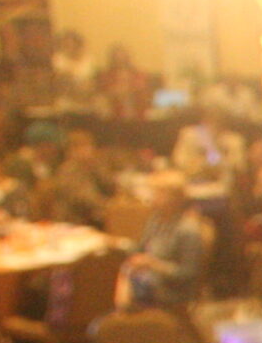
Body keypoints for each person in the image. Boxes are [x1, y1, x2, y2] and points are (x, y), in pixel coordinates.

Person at [120, 171, 209, 315]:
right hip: (150, 279)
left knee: (120, 288)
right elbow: (141, 248)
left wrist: (153, 264)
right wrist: (119, 245)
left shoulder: (187, 231)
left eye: (156, 193)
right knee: (114, 275)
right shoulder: (155, 221)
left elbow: (188, 274)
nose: (151, 198)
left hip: (171, 291)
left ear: (173, 199)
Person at [46, 128, 114, 227]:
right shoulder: (69, 170)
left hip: (90, 217)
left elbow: (110, 185)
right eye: (82, 147)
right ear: (71, 151)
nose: (88, 151)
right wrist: (107, 205)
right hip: (73, 221)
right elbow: (83, 198)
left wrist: (97, 168)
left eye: (89, 146)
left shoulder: (91, 167)